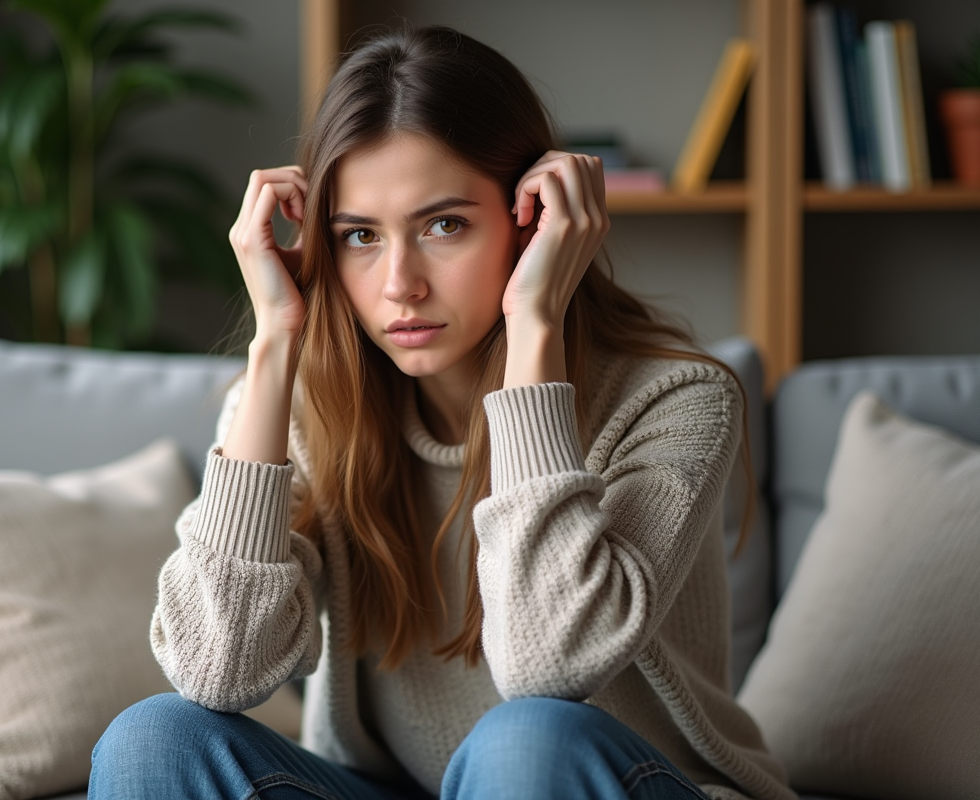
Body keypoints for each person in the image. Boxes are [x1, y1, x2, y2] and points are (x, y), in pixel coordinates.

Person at [89, 24, 796, 800]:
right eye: (359, 236)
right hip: (397, 786)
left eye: (444, 225)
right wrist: (273, 347)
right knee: (155, 737)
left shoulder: (674, 400)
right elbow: (216, 670)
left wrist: (535, 326)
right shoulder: (303, 409)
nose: (400, 284)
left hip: (602, 779)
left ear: (532, 220)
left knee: (525, 741)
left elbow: (547, 664)